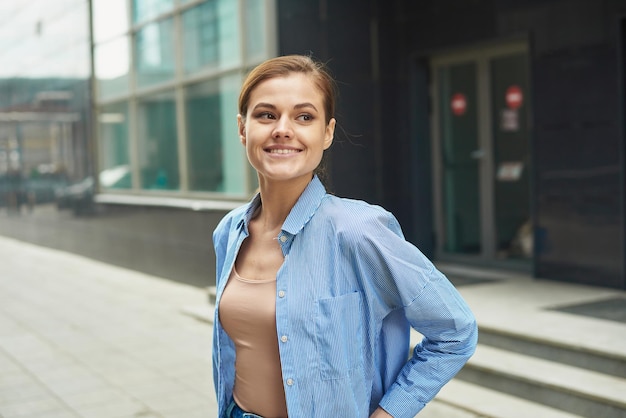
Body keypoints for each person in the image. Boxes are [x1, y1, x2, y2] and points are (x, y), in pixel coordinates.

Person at [212, 54, 478, 418]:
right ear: (243, 129)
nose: (282, 129)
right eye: (266, 115)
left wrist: (389, 413)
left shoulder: (359, 230)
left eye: (304, 116)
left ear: (327, 132)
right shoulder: (229, 232)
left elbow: (456, 331)